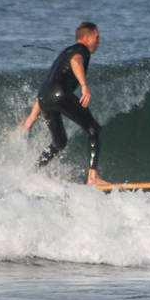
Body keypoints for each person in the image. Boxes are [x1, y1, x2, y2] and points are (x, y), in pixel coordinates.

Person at [21, 22, 109, 185]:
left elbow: (47, 86)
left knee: (59, 142)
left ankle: (32, 173)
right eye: (97, 37)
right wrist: (84, 86)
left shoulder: (64, 54)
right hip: (60, 94)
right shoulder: (80, 50)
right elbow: (76, 62)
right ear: (87, 37)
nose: (99, 41)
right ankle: (92, 178)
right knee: (93, 128)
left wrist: (30, 120)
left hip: (44, 97)